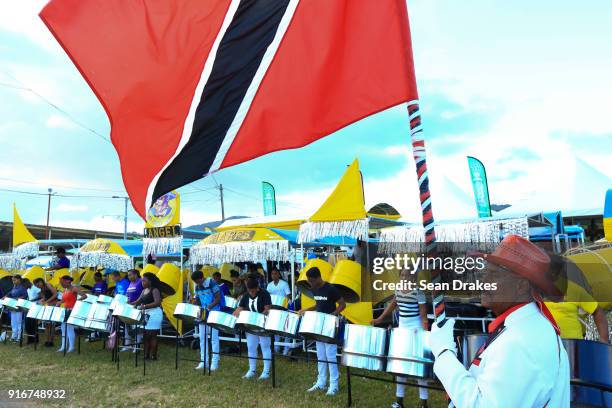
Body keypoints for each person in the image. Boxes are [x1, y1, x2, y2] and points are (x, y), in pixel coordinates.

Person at [429, 235, 570, 407]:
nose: (484, 281)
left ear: (521, 287)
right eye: (485, 273)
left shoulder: (520, 341)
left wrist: (444, 353)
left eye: (494, 275)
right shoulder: (525, 327)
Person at [372, 269, 429, 408]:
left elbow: (423, 315)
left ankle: (423, 403)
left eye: (408, 275)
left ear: (413, 277)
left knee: (418, 367)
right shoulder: (398, 290)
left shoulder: (419, 292)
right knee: (400, 365)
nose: (405, 277)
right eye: (402, 275)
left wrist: (425, 333)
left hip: (416, 330)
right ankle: (399, 401)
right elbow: (391, 306)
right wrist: (379, 319)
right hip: (402, 329)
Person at [299, 267, 346, 396]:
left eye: (312, 281)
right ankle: (321, 382)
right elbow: (318, 304)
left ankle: (334, 385)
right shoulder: (314, 288)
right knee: (320, 355)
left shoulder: (330, 288)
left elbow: (342, 304)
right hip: (319, 325)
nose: (311, 284)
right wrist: (307, 310)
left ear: (318, 277)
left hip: (329, 325)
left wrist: (333, 314)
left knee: (330, 355)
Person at [233, 275, 273, 380]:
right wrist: (236, 313)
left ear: (257, 287)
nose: (252, 293)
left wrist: (258, 318)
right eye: (249, 291)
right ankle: (252, 369)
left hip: (263, 324)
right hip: (250, 325)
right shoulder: (246, 296)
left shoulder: (264, 294)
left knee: (265, 346)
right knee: (251, 346)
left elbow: (267, 309)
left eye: (253, 291)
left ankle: (266, 371)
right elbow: (239, 308)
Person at [191, 270, 222, 371]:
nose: (197, 284)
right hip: (203, 313)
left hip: (214, 312)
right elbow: (199, 300)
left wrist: (209, 307)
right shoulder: (197, 287)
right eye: (195, 282)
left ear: (201, 278)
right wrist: (195, 302)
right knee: (202, 338)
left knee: (214, 338)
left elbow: (218, 298)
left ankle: (215, 362)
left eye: (198, 281)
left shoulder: (212, 283)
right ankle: (203, 361)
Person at [130, 272, 163, 360]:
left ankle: (153, 356)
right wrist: (129, 304)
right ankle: (146, 355)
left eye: (144, 280)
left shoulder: (155, 290)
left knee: (152, 335)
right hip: (146, 313)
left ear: (150, 281)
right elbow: (138, 301)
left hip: (155, 313)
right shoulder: (144, 290)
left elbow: (157, 302)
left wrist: (144, 306)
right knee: (146, 335)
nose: (142, 282)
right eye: (142, 281)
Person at [56, 275, 86, 353]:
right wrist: (59, 302)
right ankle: (63, 346)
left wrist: (77, 301)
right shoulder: (65, 290)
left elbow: (84, 295)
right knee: (63, 328)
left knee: (69, 328)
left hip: (72, 310)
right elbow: (64, 300)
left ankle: (71, 347)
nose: (61, 284)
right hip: (65, 310)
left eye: (62, 283)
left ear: (67, 281)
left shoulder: (74, 288)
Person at [266, 267, 291, 355]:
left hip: (283, 308)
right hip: (274, 309)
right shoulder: (269, 285)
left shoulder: (284, 284)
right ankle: (276, 348)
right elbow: (267, 297)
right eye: (272, 274)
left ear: (279, 274)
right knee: (275, 328)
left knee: (285, 329)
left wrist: (286, 304)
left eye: (275, 273)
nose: (273, 275)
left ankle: (286, 349)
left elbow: (289, 296)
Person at [121, 269, 144, 352]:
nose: (129, 277)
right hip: (130, 307)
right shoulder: (131, 283)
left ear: (135, 274)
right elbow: (128, 294)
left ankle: (136, 346)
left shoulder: (141, 281)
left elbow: (144, 293)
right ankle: (127, 345)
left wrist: (139, 303)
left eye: (130, 275)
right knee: (127, 326)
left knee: (137, 327)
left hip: (138, 307)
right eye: (128, 275)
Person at [33, 278, 57, 347]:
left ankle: (51, 341)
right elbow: (44, 297)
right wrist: (40, 301)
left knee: (52, 324)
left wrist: (47, 301)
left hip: (53, 305)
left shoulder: (48, 285)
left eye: (37, 285)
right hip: (47, 306)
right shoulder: (42, 288)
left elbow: (55, 294)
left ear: (40, 282)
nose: (37, 287)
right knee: (47, 325)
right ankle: (47, 340)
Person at [2, 275, 27, 342]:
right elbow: (10, 293)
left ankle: (19, 336)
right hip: (13, 307)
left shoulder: (22, 287)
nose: (13, 282)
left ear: (19, 280)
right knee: (13, 322)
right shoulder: (14, 287)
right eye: (12, 280)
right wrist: (5, 296)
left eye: (14, 280)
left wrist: (17, 299)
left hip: (19, 308)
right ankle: (14, 335)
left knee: (19, 322)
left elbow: (25, 296)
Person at [24, 278, 41, 344]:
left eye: (24, 285)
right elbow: (29, 298)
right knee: (28, 324)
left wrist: (33, 300)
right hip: (30, 307)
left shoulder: (35, 288)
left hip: (36, 307)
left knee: (33, 324)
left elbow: (42, 296)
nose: (24, 287)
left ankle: (35, 339)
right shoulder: (28, 289)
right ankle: (30, 339)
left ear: (28, 282)